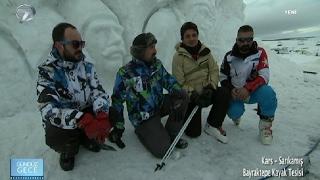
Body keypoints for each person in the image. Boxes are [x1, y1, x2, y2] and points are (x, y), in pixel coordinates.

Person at [36, 23, 111, 171]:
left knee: (112, 113)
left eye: (81, 43)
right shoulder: (47, 72)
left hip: (86, 112)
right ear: (59, 46)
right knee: (55, 134)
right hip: (66, 120)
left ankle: (87, 137)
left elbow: (98, 92)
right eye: (75, 44)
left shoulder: (86, 65)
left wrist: (102, 113)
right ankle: (68, 151)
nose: (80, 48)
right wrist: (81, 118)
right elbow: (48, 109)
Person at [109, 32, 189, 158]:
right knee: (163, 150)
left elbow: (169, 80)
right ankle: (145, 132)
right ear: (141, 51)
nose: (155, 50)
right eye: (151, 47)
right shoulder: (125, 73)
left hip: (159, 105)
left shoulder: (156, 65)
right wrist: (118, 127)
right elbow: (117, 100)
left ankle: (172, 135)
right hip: (143, 117)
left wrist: (178, 93)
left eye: (154, 46)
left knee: (183, 96)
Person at [172, 22, 231, 143]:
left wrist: (210, 87)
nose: (191, 38)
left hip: (206, 92)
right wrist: (192, 94)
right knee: (193, 133)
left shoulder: (206, 52)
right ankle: (184, 114)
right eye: (187, 36)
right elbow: (179, 82)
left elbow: (214, 70)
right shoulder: (178, 57)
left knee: (224, 92)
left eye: (194, 35)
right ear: (182, 38)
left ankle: (212, 125)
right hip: (192, 97)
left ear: (198, 35)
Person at [220, 25, 277, 145]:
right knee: (234, 112)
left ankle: (265, 127)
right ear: (236, 40)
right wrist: (230, 90)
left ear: (252, 39)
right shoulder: (229, 57)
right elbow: (223, 77)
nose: (245, 43)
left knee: (268, 93)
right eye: (241, 40)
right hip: (236, 94)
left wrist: (248, 88)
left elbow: (264, 76)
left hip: (253, 92)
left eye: (249, 39)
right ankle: (236, 115)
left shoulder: (260, 53)